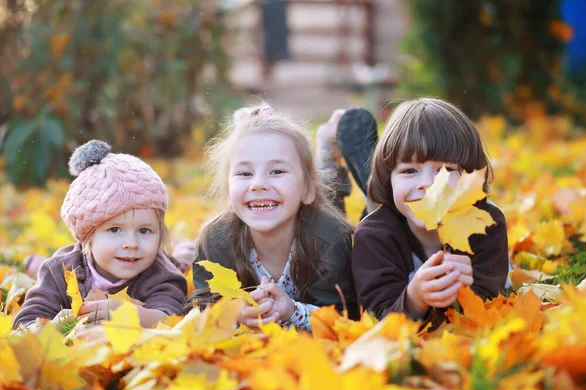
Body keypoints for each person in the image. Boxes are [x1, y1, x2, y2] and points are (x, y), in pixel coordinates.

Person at [188, 105, 358, 331]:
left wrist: (292, 311)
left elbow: (344, 316)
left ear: (306, 189)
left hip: (318, 222)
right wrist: (234, 314)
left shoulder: (332, 239)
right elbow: (199, 305)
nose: (258, 184)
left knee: (334, 202)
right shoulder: (215, 241)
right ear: (229, 194)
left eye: (277, 171)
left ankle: (326, 155)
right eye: (244, 173)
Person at [350, 98, 509, 326]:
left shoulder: (487, 224)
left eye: (445, 169)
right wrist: (414, 298)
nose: (427, 183)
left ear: (470, 176)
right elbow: (377, 318)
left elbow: (488, 300)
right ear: (389, 179)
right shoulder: (373, 237)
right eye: (409, 170)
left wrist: (463, 293)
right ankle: (364, 190)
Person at [13, 140, 187, 330]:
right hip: (66, 263)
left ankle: (185, 252)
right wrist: (46, 328)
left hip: (168, 265)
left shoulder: (160, 274)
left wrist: (123, 314)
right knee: (50, 266)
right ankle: (39, 263)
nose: (132, 243)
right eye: (114, 230)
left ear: (160, 232)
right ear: (88, 235)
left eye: (144, 230)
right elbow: (26, 321)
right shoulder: (60, 272)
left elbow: (171, 318)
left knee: (182, 262)